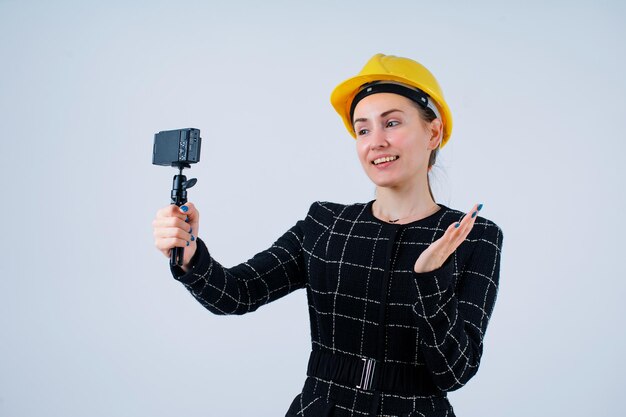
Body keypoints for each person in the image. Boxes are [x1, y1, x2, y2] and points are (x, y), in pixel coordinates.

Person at [152, 53, 504, 417]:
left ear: (433, 132)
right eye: (363, 129)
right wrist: (191, 255)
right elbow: (237, 294)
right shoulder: (325, 224)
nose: (376, 141)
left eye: (392, 123)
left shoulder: (474, 238)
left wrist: (431, 281)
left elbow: (455, 372)